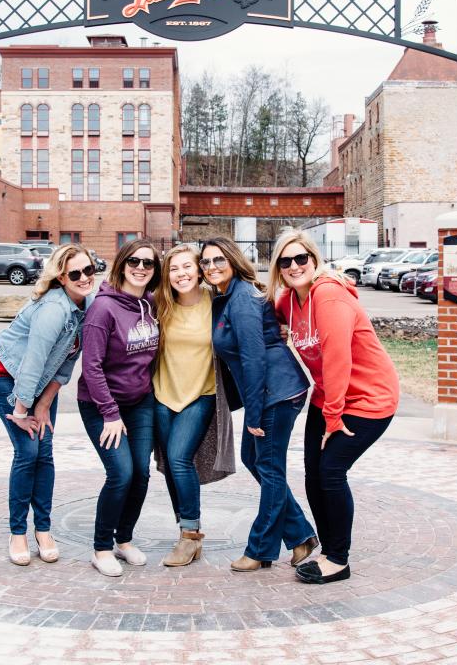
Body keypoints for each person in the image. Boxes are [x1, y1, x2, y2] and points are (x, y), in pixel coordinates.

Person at [268, 231, 400, 585]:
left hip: (369, 397)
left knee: (330, 472)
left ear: (314, 259)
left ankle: (338, 560)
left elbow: (338, 359)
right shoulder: (289, 301)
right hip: (328, 396)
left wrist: (333, 418)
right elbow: (269, 311)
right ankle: (328, 551)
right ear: (278, 268)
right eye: (286, 261)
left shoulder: (326, 295)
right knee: (313, 473)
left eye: (301, 259)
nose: (295, 266)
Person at [199, 236, 317, 573]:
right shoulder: (227, 296)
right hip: (269, 392)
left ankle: (261, 548)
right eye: (205, 262)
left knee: (269, 467)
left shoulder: (243, 299)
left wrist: (253, 413)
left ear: (233, 260)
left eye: (218, 260)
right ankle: (300, 536)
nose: (211, 267)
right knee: (255, 459)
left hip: (276, 393)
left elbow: (253, 359)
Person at [0, 244, 97, 567]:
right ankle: (18, 532)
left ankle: (43, 530)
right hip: (4, 373)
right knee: (28, 451)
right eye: (75, 273)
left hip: (39, 383)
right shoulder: (53, 310)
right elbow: (32, 363)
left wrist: (44, 403)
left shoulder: (87, 306)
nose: (84, 277)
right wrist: (21, 411)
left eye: (89, 269)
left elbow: (66, 363)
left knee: (44, 451)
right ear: (61, 277)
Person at [78, 239, 162, 577]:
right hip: (101, 405)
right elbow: (92, 366)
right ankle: (101, 549)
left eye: (149, 263)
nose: (141, 268)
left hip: (139, 402)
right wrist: (110, 414)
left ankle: (123, 540)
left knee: (141, 474)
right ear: (122, 264)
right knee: (121, 474)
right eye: (135, 261)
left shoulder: (151, 303)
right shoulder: (103, 309)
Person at [152, 244, 236, 567]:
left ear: (199, 270)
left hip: (201, 395)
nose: (181, 274)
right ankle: (185, 528)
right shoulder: (160, 304)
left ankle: (190, 536)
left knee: (178, 456)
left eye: (187, 267)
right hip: (162, 395)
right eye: (174, 269)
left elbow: (251, 307)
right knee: (170, 467)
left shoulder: (215, 304)